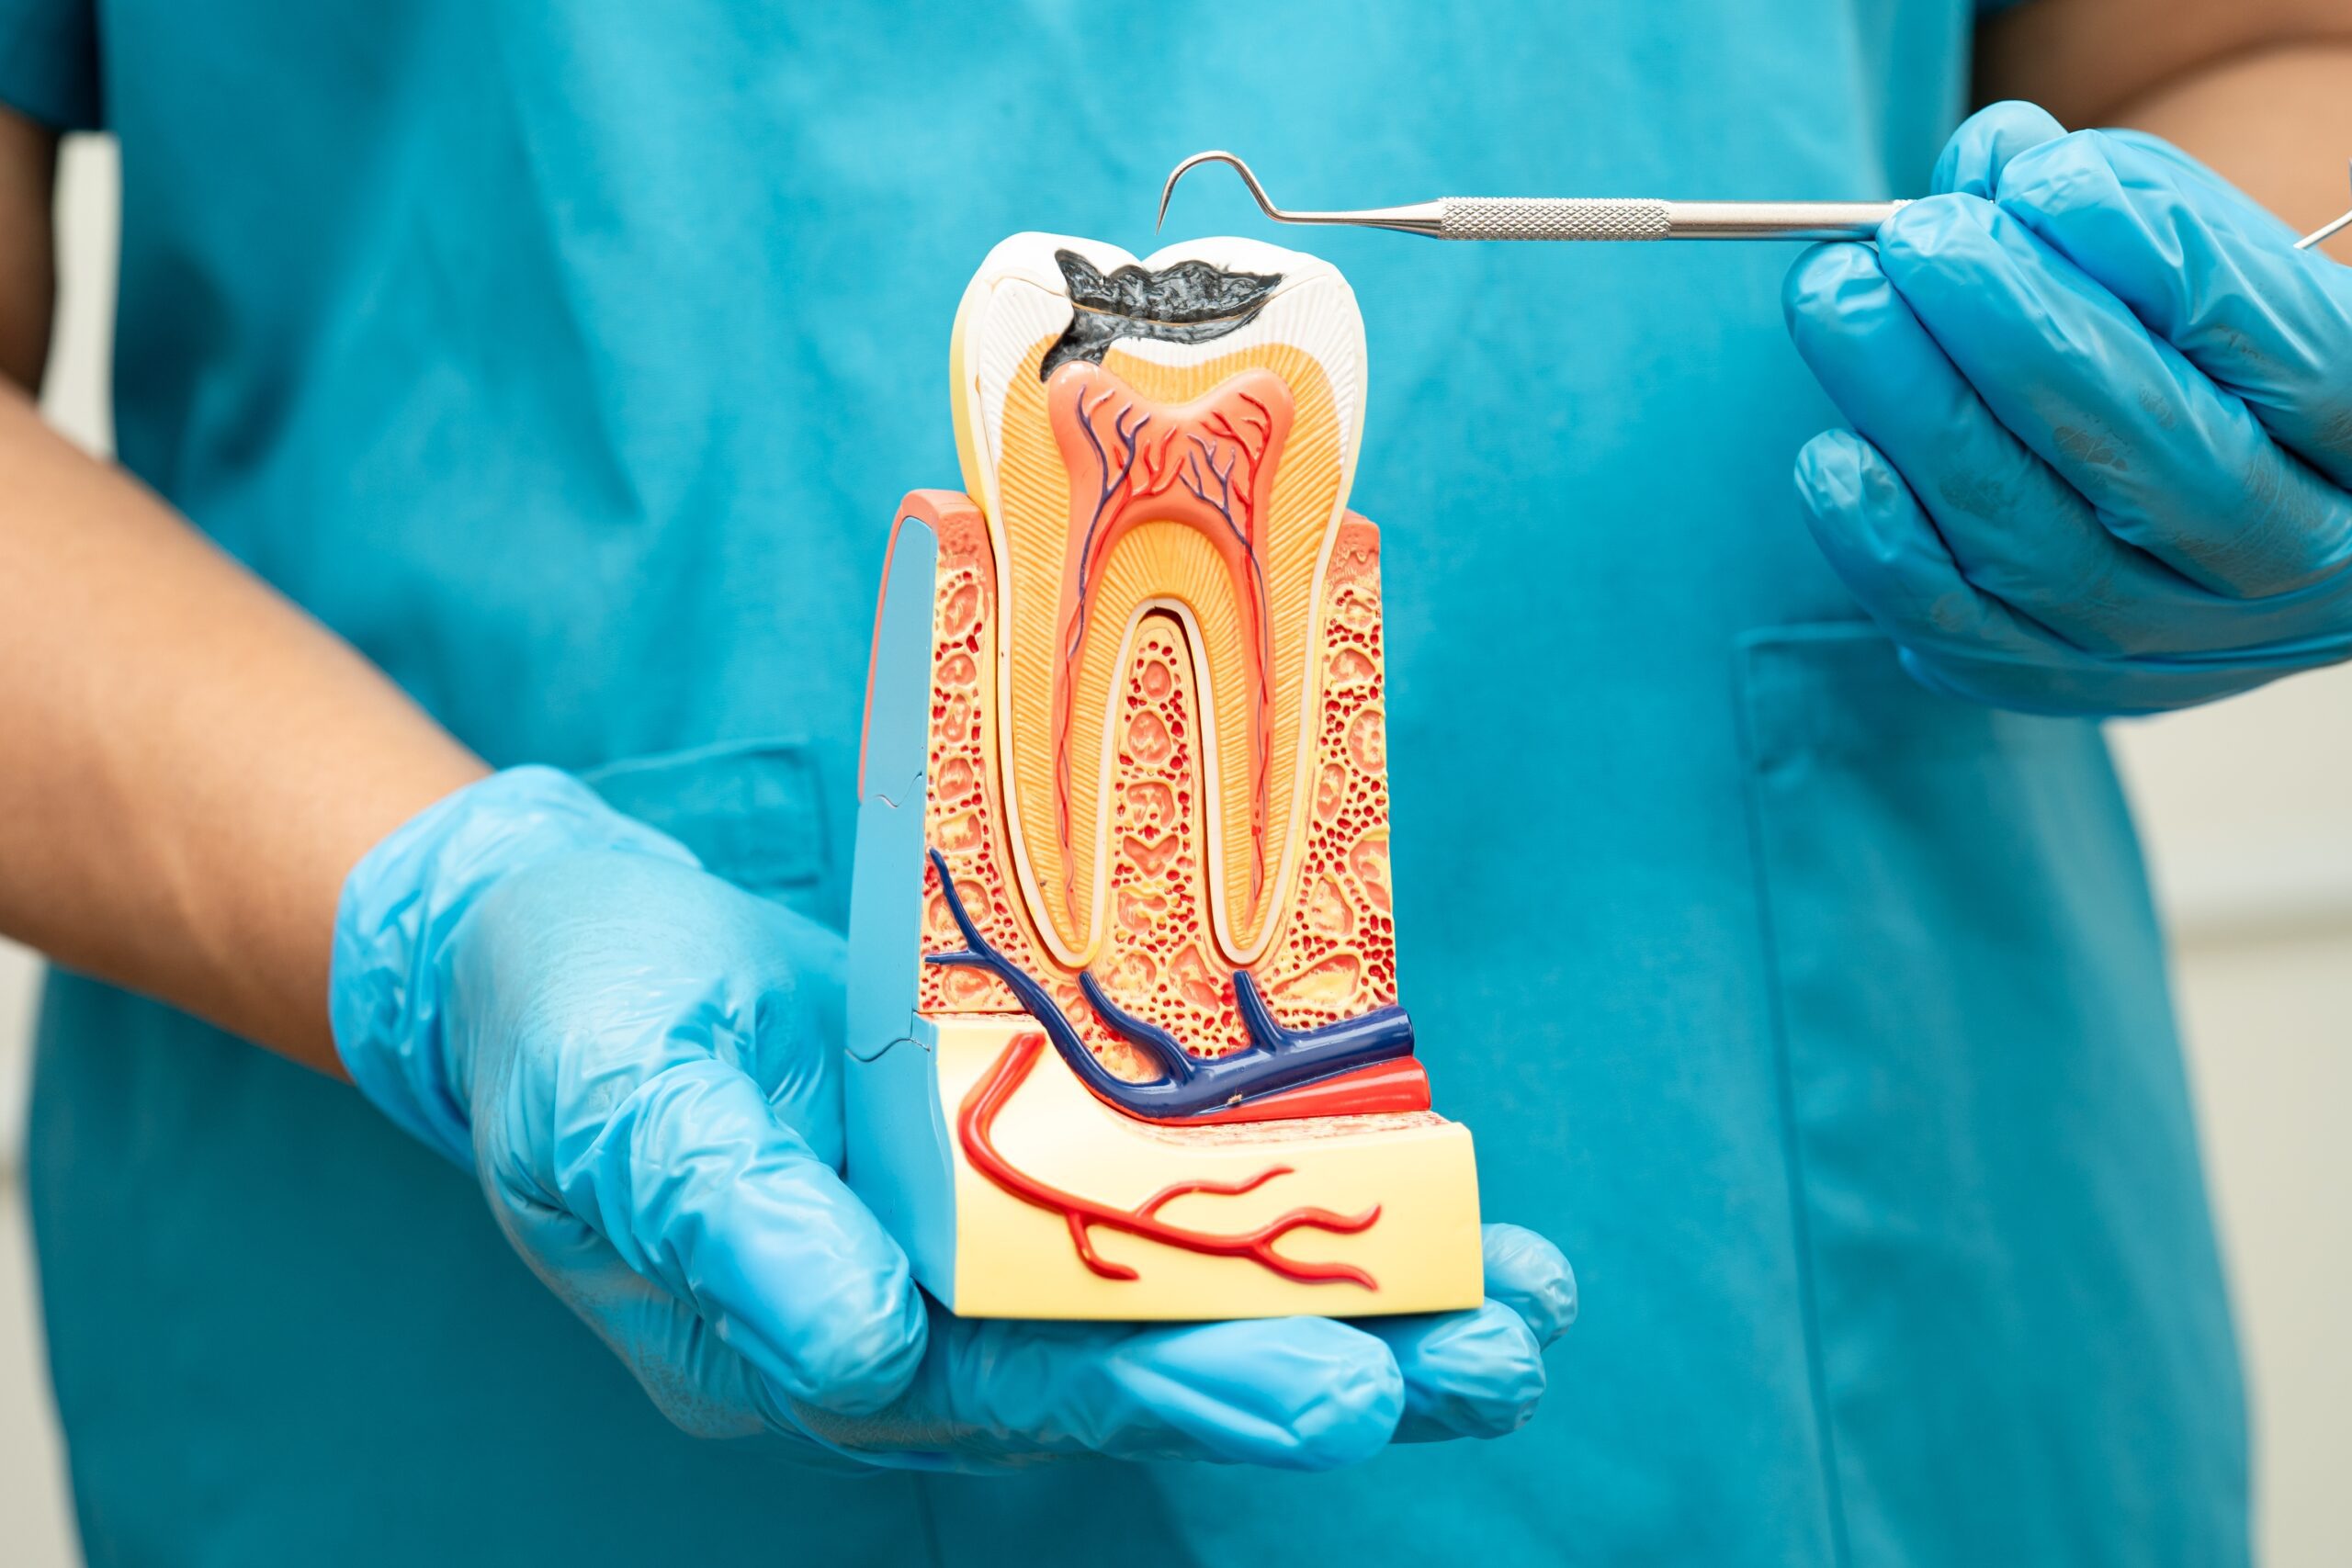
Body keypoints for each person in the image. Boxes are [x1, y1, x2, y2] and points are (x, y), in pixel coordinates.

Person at [0, 0, 2344, 1562]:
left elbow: (2249, 43)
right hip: (455, 1387)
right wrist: (442, 911)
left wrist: (2256, 352)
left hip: (1789, 1288)